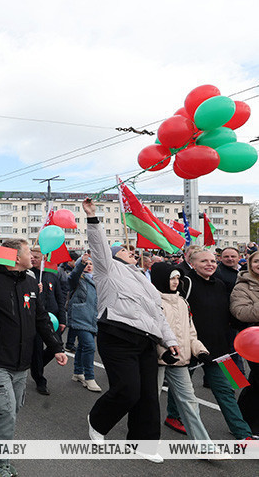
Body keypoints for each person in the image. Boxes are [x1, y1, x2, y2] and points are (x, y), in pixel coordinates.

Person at [82, 198, 179, 463]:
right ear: (113, 256)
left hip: (146, 340)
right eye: (126, 251)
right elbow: (99, 247)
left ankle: (144, 445)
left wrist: (169, 340)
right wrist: (93, 217)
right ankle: (98, 421)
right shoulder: (107, 270)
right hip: (117, 336)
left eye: (133, 251)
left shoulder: (146, 282)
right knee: (127, 389)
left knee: (149, 396)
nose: (133, 253)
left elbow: (157, 313)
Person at [0, 238, 67, 477]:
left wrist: (56, 347)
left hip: (21, 360)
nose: (32, 257)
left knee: (13, 410)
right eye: (27, 253)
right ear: (15, 257)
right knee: (5, 412)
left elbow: (41, 318)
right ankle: (1, 463)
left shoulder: (31, 281)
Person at [168, 249, 256, 440]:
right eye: (204, 261)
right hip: (192, 347)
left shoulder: (220, 284)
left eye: (212, 261)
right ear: (192, 263)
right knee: (184, 386)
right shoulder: (185, 283)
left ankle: (243, 434)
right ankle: (173, 416)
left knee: (229, 389)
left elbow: (227, 315)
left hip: (220, 349)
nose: (210, 264)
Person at [149, 263, 216, 443]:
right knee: (150, 402)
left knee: (190, 402)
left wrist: (201, 351)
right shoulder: (152, 301)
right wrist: (162, 352)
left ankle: (204, 445)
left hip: (180, 361)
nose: (176, 282)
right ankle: (145, 438)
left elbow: (190, 332)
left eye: (178, 278)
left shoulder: (182, 301)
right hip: (157, 361)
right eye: (172, 278)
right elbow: (150, 333)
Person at [29, 247, 67, 395]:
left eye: (36, 257)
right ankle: (40, 380)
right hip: (36, 319)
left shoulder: (52, 275)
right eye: (31, 257)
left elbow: (60, 297)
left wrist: (63, 320)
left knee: (56, 347)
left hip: (54, 319)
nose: (33, 259)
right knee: (37, 350)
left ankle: (36, 366)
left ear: (43, 259)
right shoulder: (28, 275)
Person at [230, 250, 259, 434]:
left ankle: (241, 415)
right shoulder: (242, 287)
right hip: (253, 341)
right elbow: (241, 313)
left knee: (256, 381)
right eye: (257, 261)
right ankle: (249, 422)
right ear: (250, 264)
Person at [66, 253, 100, 392]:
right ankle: (89, 377)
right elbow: (72, 277)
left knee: (83, 345)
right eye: (86, 264)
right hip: (80, 316)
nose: (89, 266)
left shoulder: (98, 280)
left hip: (92, 318)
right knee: (90, 346)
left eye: (91, 264)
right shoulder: (77, 279)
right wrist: (80, 264)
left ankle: (77, 372)